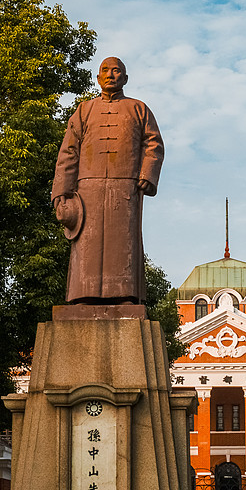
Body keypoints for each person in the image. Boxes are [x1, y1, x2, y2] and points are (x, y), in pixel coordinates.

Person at [51, 56, 164, 304]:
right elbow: (68, 152)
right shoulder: (85, 110)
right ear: (98, 78)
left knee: (123, 244)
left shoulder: (138, 109)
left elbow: (153, 144)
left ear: (125, 78)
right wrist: (61, 192)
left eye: (117, 71)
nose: (111, 74)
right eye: (106, 70)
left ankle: (125, 295)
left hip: (125, 186)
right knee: (87, 245)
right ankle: (83, 295)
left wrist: (147, 174)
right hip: (86, 190)